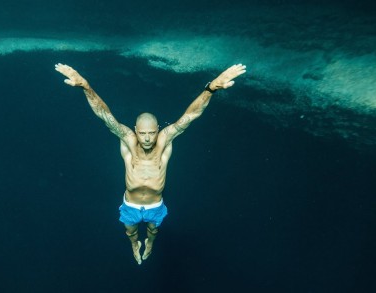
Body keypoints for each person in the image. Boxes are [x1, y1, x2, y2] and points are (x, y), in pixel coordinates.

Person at [55, 63, 247, 264]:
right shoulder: (128, 139)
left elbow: (190, 116)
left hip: (155, 203)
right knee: (130, 232)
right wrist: (86, 86)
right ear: (136, 130)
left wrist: (211, 88)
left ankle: (151, 243)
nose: (147, 139)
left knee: (153, 230)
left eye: (152, 133)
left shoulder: (165, 140)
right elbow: (105, 115)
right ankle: (133, 244)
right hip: (131, 203)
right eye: (143, 133)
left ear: (158, 129)